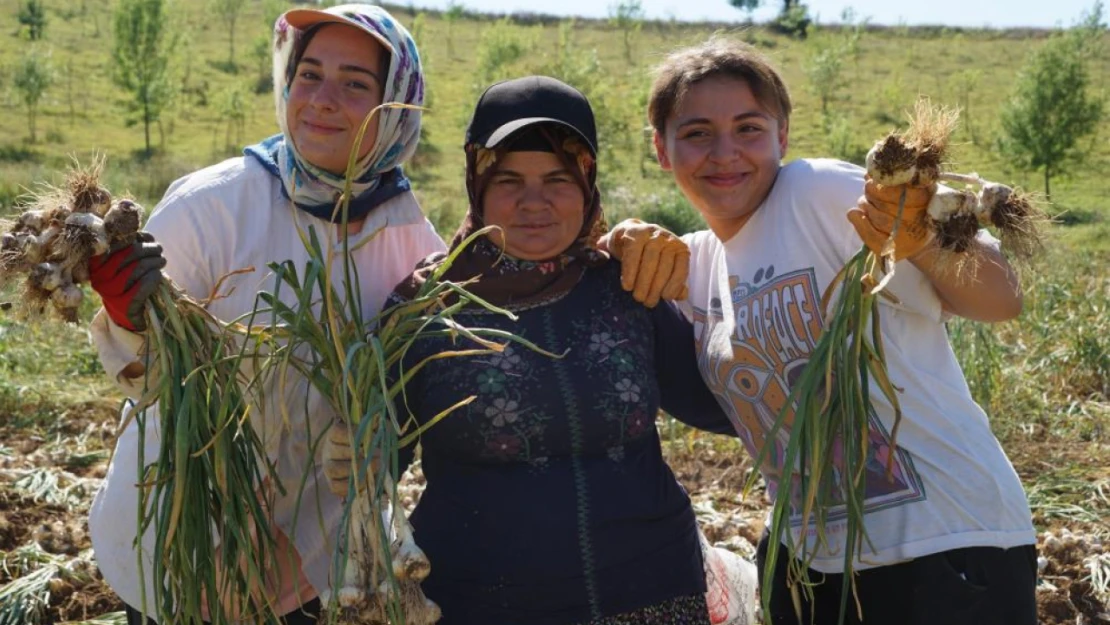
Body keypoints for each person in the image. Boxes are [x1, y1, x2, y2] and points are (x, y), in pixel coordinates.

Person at [605, 37, 1038, 625]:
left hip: (945, 543)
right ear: (662, 148)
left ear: (783, 136)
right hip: (814, 565)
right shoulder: (695, 266)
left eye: (749, 128)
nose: (725, 152)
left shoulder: (819, 192)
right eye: (698, 132)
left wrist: (927, 244)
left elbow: (1001, 298)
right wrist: (618, 240)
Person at [326, 75, 741, 625]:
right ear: (477, 181)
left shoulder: (627, 286)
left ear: (588, 181)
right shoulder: (423, 313)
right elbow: (374, 464)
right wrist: (351, 449)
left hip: (655, 592)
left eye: (557, 179)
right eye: (509, 180)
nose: (534, 202)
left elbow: (722, 405)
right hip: (483, 603)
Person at [86, 5, 443, 623]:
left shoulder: (409, 237)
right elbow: (148, 378)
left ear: (397, 108)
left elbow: (409, 393)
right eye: (308, 74)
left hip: (313, 549)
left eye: (355, 84)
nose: (322, 100)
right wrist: (133, 319)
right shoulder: (213, 205)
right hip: (183, 527)